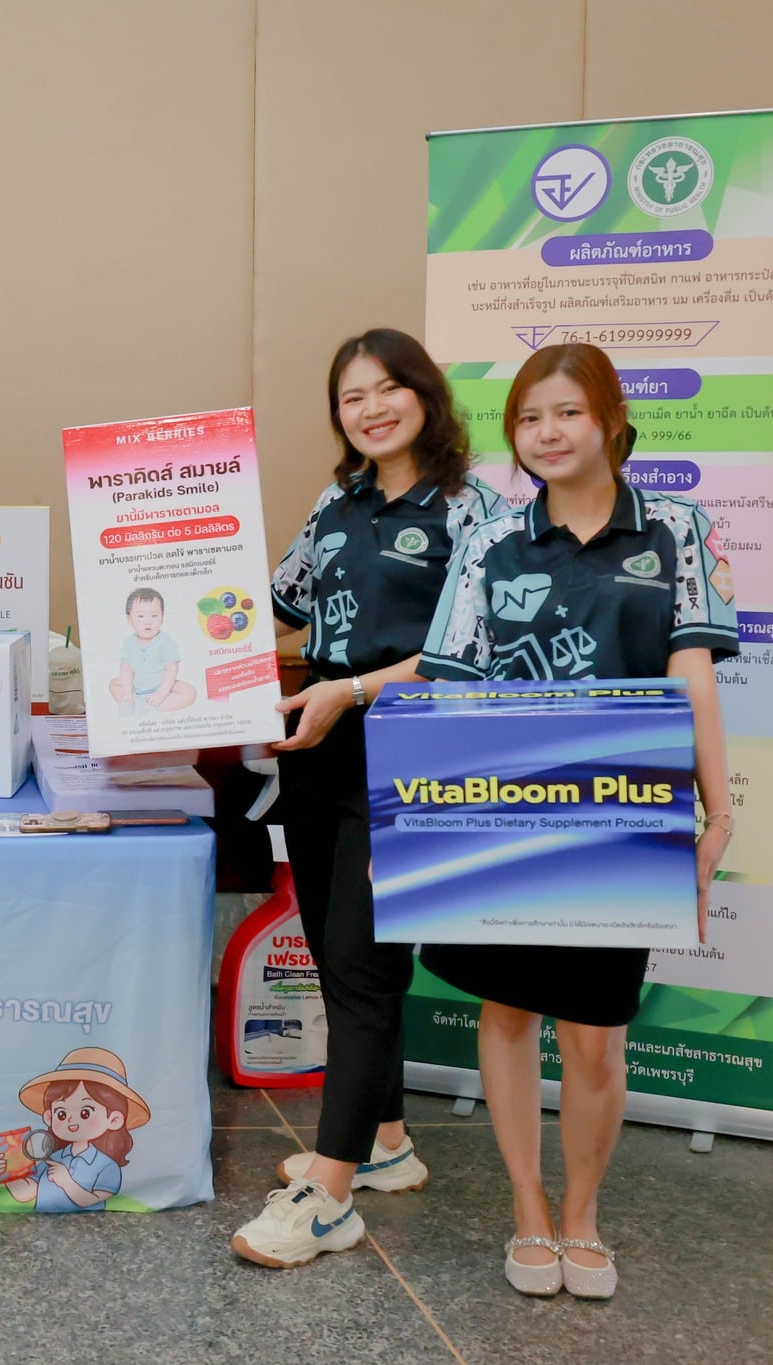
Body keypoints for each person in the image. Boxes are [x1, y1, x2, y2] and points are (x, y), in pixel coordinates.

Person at [414, 342, 736, 1299]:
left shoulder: (674, 528)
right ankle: (528, 1207)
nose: (546, 433)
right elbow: (452, 687)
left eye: (566, 413)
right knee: (508, 1010)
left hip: (627, 813)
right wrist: (423, 822)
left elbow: (692, 672)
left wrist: (717, 810)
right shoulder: (491, 542)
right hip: (506, 809)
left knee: (597, 1034)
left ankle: (584, 1213)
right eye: (528, 418)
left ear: (610, 420)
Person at [231, 328, 503, 1269]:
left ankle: (330, 1197)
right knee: (335, 951)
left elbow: (472, 646)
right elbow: (279, 607)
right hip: (319, 747)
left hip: (414, 754)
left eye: (389, 388)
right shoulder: (336, 500)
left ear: (426, 395)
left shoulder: (475, 509)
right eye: (352, 396)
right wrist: (161, 626)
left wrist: (352, 689)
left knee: (362, 967)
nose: (372, 408)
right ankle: (386, 1141)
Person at [0, 1048, 147, 1213]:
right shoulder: (54, 1157)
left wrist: (66, 1181)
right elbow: (26, 1193)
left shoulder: (107, 1166)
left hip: (89, 1224)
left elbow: (94, 1199)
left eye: (85, 1113)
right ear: (49, 1117)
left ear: (114, 1120)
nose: (71, 1120)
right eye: (61, 1113)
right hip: (44, 1223)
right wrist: (7, 1174)